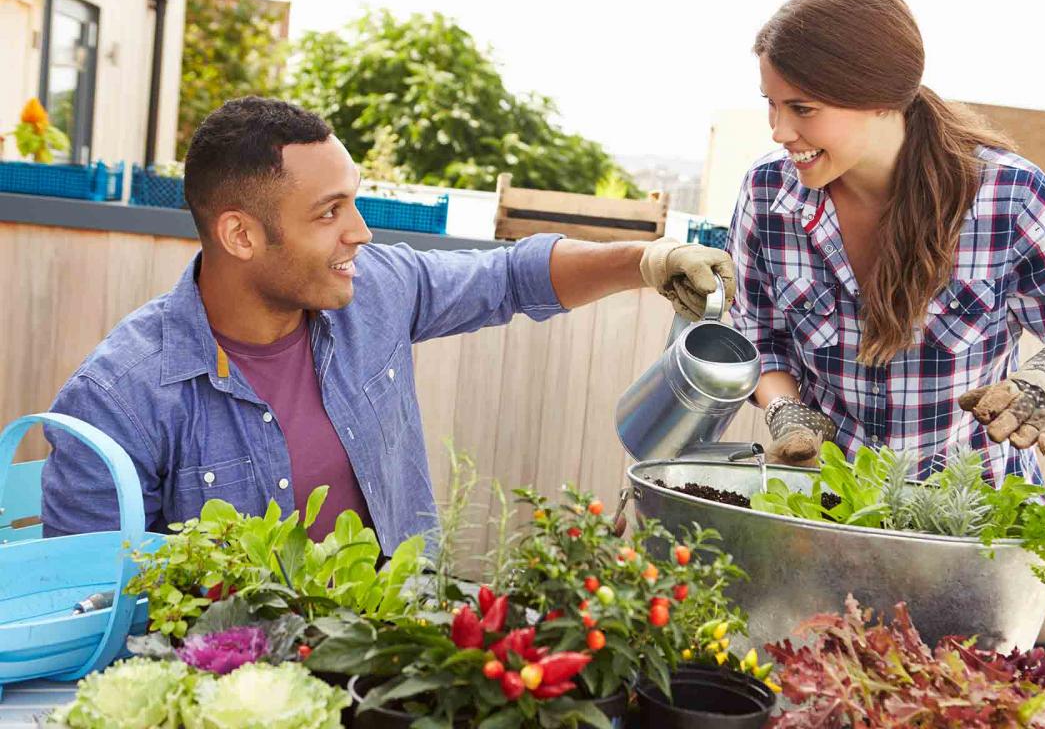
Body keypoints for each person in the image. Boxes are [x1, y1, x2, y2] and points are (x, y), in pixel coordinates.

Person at [40, 96, 734, 554]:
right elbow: (93, 607)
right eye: (329, 212)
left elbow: (512, 276)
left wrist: (646, 259)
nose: (361, 233)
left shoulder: (371, 295)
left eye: (355, 204)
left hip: (400, 656)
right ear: (240, 235)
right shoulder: (119, 397)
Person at [729, 0, 1045, 484]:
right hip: (826, 500)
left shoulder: (1007, 196)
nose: (779, 131)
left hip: (969, 518)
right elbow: (756, 336)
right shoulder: (768, 195)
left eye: (802, 109)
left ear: (881, 98)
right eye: (771, 102)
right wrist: (786, 410)